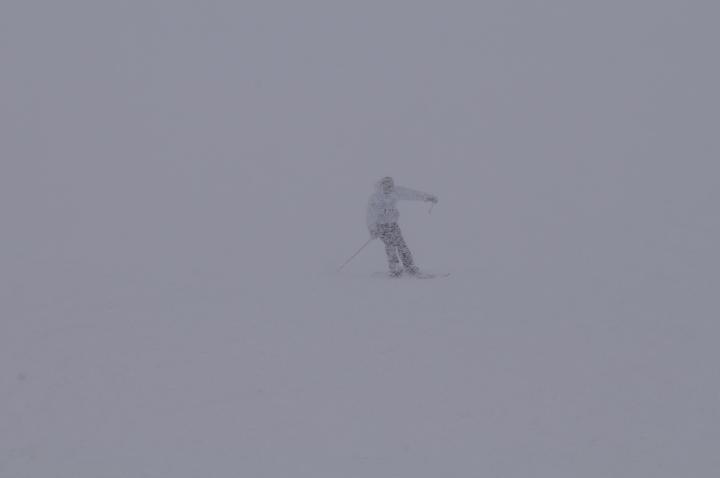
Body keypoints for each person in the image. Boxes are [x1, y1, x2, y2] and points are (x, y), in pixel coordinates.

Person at [367, 177, 438, 276]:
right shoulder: (375, 198)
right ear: (381, 186)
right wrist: (372, 229)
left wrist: (427, 197)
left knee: (401, 244)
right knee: (390, 245)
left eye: (390, 186)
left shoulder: (396, 191)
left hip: (393, 225)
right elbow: (370, 215)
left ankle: (409, 266)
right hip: (381, 226)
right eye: (386, 186)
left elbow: (411, 194)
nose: (389, 188)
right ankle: (395, 268)